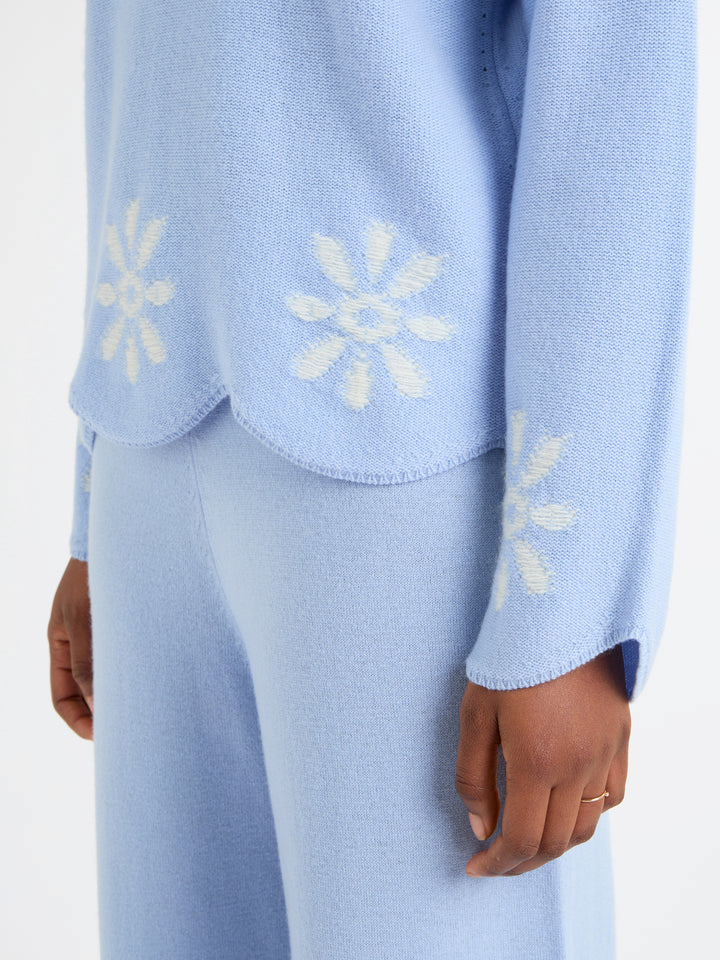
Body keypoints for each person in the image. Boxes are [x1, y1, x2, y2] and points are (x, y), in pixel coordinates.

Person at [46, 2, 696, 958]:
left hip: (408, 493)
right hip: (153, 458)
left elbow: (613, 105)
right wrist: (96, 484)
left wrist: (569, 615)